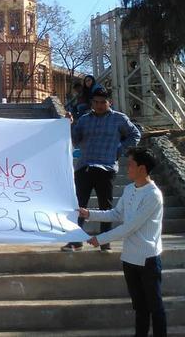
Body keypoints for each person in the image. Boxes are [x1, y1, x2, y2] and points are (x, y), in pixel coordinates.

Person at [80, 147, 167, 337]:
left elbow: (130, 227)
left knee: (155, 307)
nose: (126, 168)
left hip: (148, 259)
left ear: (142, 169)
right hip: (129, 258)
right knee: (140, 307)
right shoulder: (129, 189)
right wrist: (89, 214)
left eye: (130, 165)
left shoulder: (153, 195)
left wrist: (100, 239)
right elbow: (116, 214)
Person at [61, 87, 141, 252]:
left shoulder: (119, 119)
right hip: (85, 167)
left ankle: (105, 241)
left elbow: (135, 134)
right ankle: (75, 240)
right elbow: (75, 140)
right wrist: (68, 124)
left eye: (102, 102)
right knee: (78, 205)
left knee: (106, 206)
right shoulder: (84, 120)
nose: (99, 105)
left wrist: (120, 149)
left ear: (109, 102)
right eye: (96, 102)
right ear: (92, 102)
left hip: (106, 167)